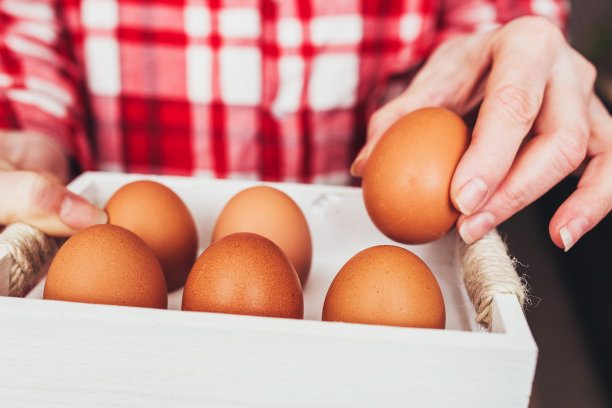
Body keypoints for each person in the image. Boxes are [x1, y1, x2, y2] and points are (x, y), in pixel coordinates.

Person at [0, 0, 610, 252]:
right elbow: (24, 26)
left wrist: (514, 53)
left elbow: (489, 19)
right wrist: (22, 132)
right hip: (115, 232)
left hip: (374, 252)